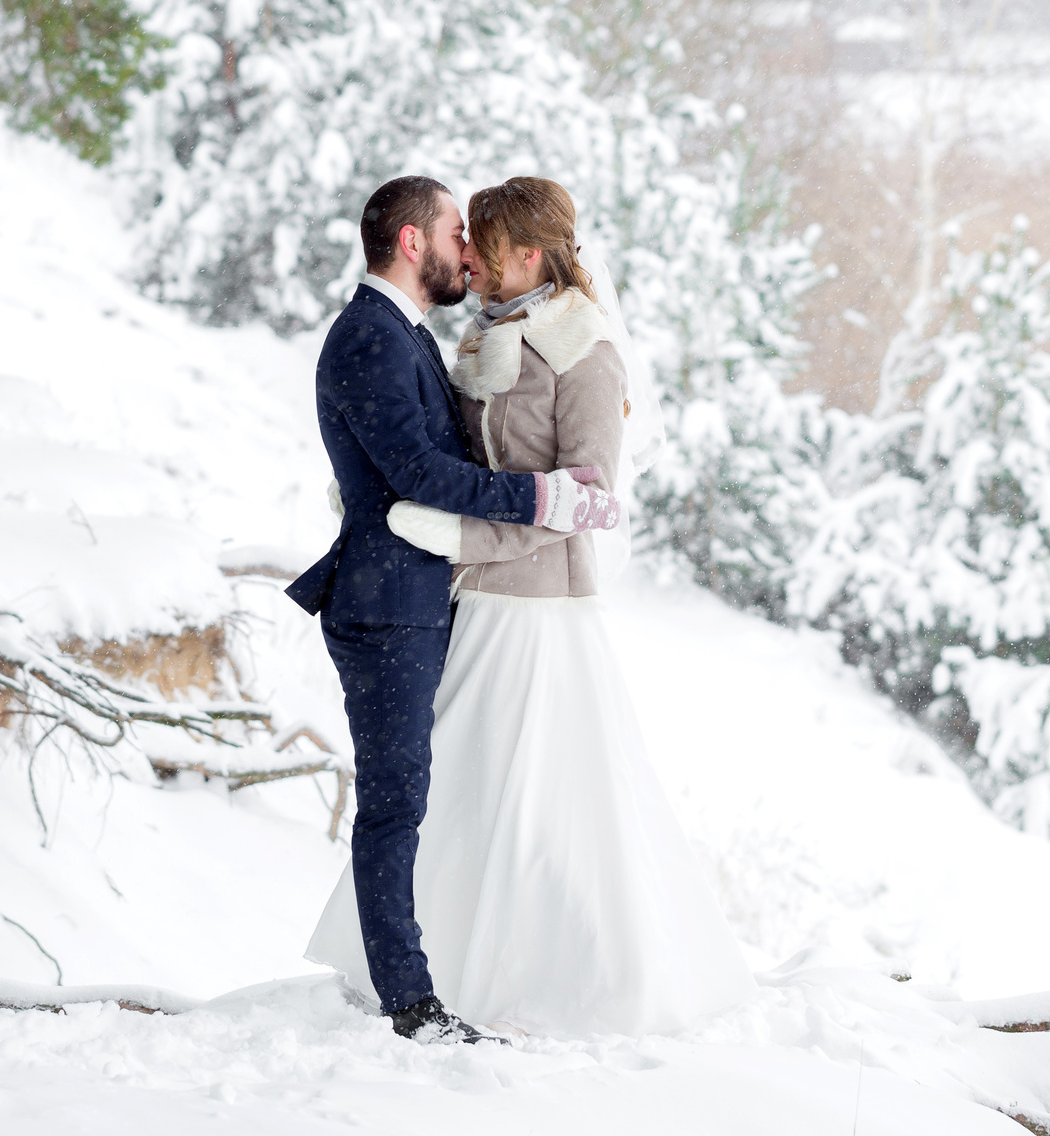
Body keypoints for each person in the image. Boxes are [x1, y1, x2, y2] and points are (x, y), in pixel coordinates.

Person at [305, 177, 757, 1038]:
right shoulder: (475, 338)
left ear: (528, 254)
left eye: (482, 240)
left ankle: (567, 979)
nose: (467, 253)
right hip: (469, 607)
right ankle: (426, 976)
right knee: (459, 796)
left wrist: (466, 539)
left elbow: (583, 501)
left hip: (538, 610)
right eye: (458, 235)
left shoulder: (584, 350)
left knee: (551, 804)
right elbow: (444, 458)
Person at [286, 176, 622, 1046]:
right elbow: (424, 475)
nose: (464, 249)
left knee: (425, 797)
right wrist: (542, 498)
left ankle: (431, 978)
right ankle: (408, 1001)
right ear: (411, 242)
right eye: (451, 232)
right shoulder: (371, 337)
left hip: (426, 595)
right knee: (397, 803)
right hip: (389, 602)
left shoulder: (411, 335)